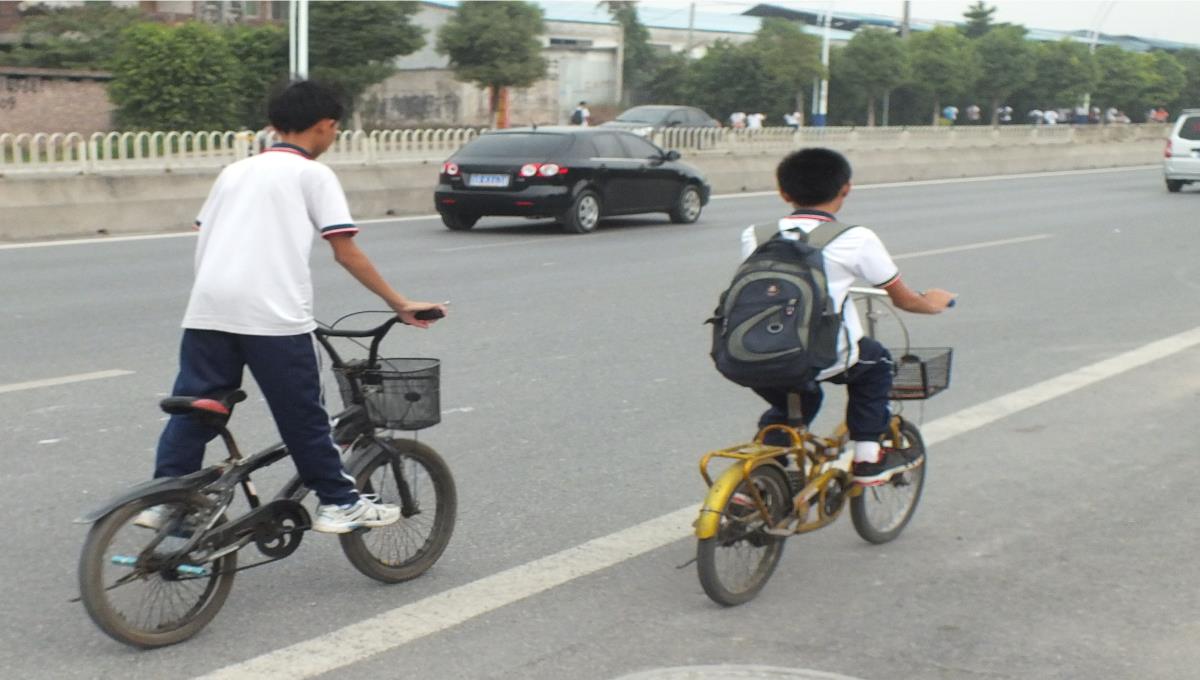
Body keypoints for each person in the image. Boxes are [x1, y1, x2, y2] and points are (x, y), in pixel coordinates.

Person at [143, 81, 448, 534]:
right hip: (271, 315)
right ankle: (340, 503)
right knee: (303, 416)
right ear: (326, 126)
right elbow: (345, 251)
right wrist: (399, 303)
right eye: (335, 129)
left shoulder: (235, 171)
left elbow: (206, 231)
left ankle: (166, 498)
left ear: (274, 125)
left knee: (199, 407)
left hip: (208, 308)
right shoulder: (313, 174)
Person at [737, 148, 955, 485]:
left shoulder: (755, 234)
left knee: (797, 399)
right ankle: (869, 457)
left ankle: (759, 476)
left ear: (784, 193)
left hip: (751, 351)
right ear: (846, 189)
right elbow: (905, 300)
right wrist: (935, 303)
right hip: (823, 354)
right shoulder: (856, 239)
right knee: (876, 362)